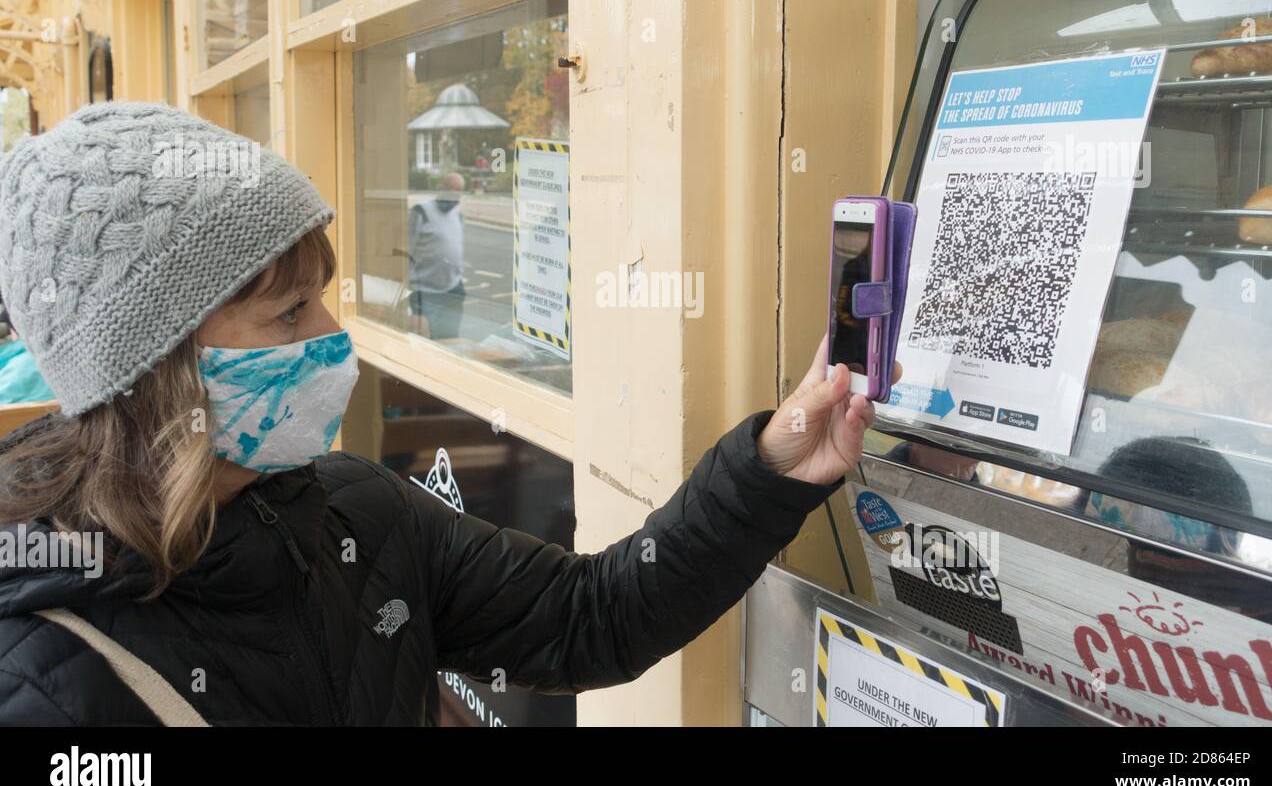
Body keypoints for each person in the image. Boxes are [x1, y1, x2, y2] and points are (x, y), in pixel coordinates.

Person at [0, 102, 884, 725]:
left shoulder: (354, 517)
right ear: (161, 372)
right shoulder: (44, 680)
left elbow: (594, 616)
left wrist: (771, 469)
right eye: (288, 313)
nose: (332, 336)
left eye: (322, 298)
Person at [407, 172, 466, 340]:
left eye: (458, 191)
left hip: (452, 290)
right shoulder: (421, 212)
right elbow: (407, 252)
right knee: (425, 345)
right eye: (450, 190)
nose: (454, 196)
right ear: (440, 188)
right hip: (425, 294)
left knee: (450, 342)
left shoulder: (458, 214)